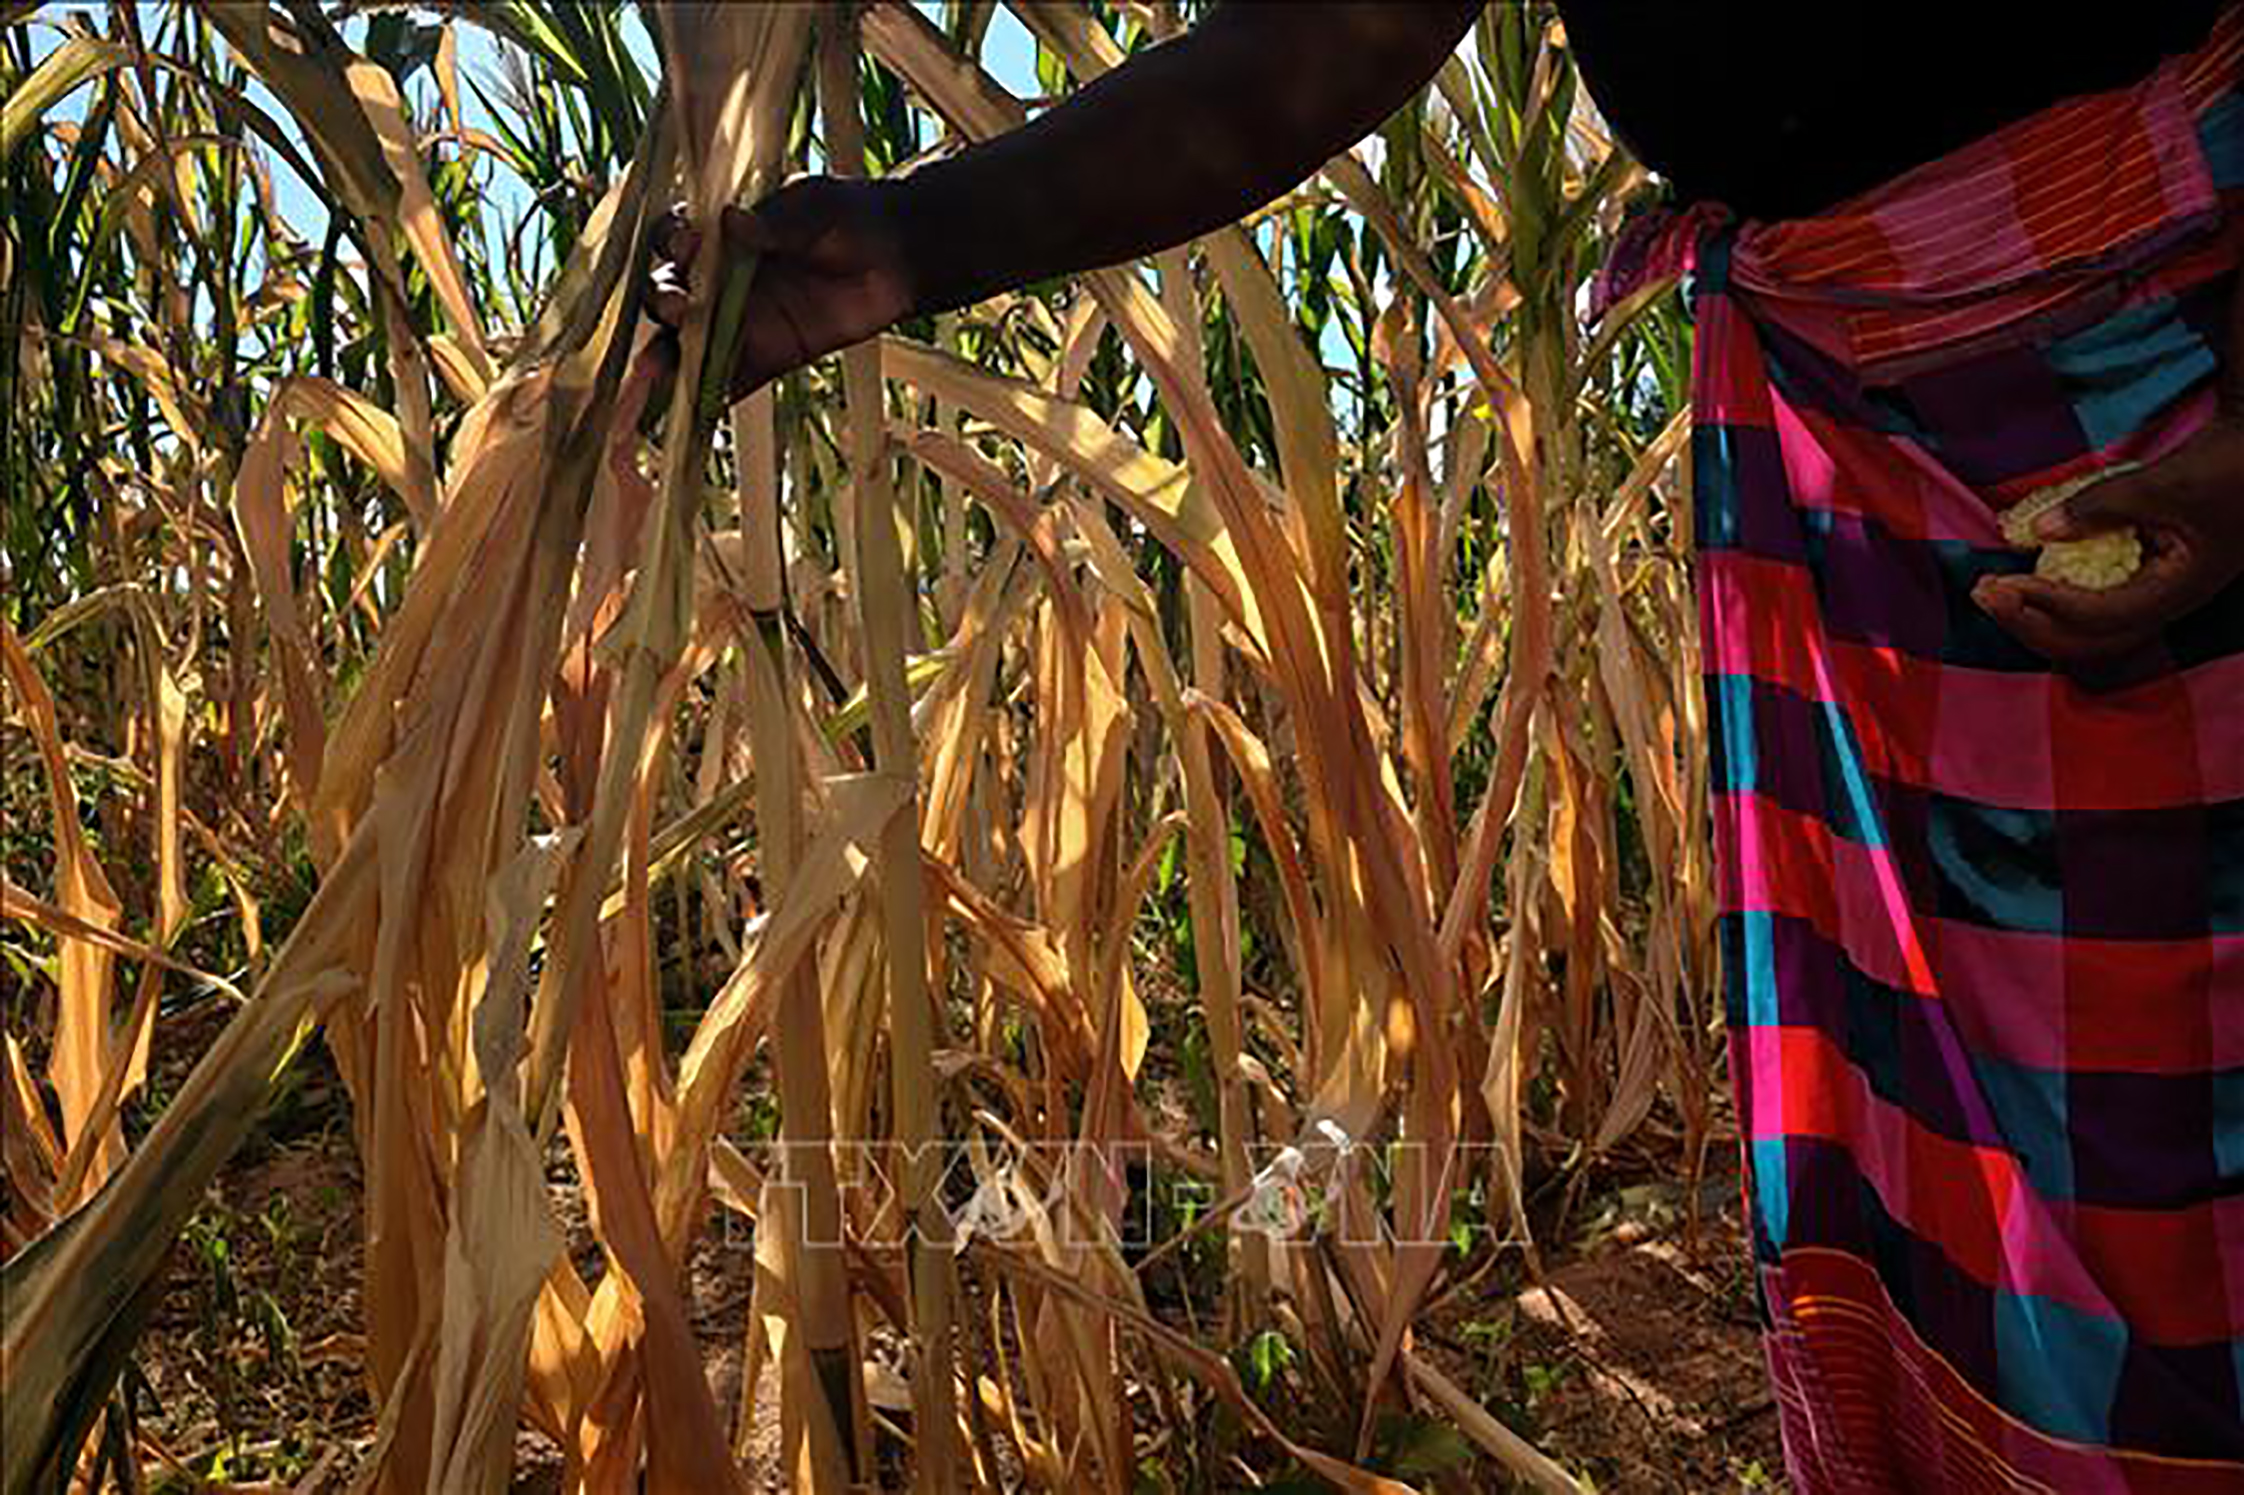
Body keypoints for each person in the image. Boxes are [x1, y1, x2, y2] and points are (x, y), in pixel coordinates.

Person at [655, 5, 2244, 1488]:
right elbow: (1336, 32)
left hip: (2169, 384)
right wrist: (910, 245)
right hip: (1878, 456)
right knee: (1995, 1181)